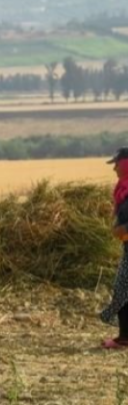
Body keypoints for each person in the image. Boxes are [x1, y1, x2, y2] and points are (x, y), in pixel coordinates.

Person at [101, 147, 128, 349]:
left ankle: (124, 338)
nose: (114, 169)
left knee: (122, 290)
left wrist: (123, 230)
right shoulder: (123, 188)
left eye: (117, 164)